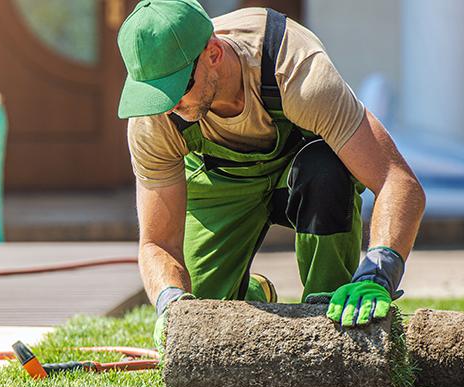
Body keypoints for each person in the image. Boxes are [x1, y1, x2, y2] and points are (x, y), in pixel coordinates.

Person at [116, 0, 425, 350]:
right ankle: (250, 292)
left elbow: (397, 181)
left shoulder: (296, 70)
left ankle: (328, 310)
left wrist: (378, 271)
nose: (170, 106)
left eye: (178, 89)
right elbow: (157, 243)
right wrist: (169, 301)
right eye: (156, 95)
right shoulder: (153, 120)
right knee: (200, 320)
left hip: (300, 173)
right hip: (220, 181)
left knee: (325, 168)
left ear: (213, 53)